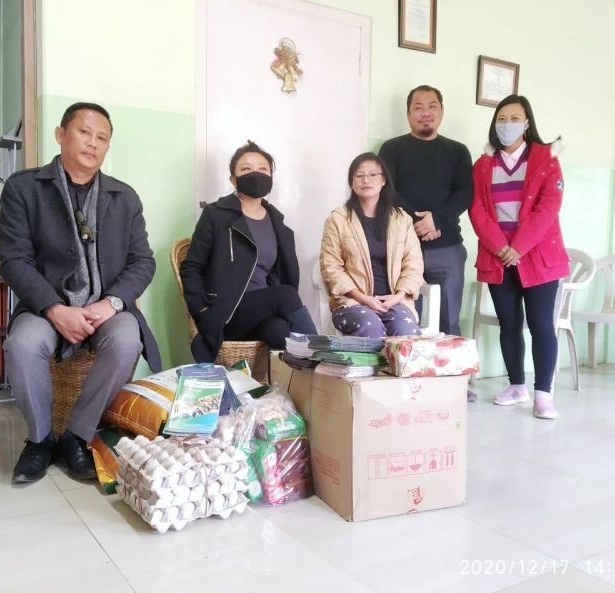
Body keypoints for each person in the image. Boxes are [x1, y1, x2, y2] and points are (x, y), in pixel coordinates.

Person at [0, 102, 161, 484]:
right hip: (44, 308)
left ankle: (77, 436)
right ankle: (40, 441)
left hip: (104, 307)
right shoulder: (24, 188)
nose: (92, 143)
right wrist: (55, 309)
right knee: (22, 345)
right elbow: (14, 260)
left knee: (126, 340)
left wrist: (112, 303)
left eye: (101, 138)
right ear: (61, 135)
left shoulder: (125, 196)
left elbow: (143, 261)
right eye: (84, 132)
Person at [469, 94, 569, 419]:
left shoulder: (545, 158)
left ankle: (543, 394)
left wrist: (520, 246)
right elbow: (478, 210)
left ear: (527, 124)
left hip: (538, 258)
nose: (507, 124)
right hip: (499, 257)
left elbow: (548, 206)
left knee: (541, 324)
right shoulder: (483, 163)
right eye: (501, 118)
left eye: (515, 118)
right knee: (509, 324)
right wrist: (501, 247)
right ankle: (516, 386)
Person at [378, 84, 475, 399]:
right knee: (407, 318)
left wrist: (437, 220)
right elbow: (387, 190)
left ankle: (457, 383)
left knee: (449, 318)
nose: (425, 112)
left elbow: (465, 193)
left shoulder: (457, 151)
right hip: (404, 248)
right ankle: (413, 384)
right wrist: (417, 223)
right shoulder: (391, 149)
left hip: (447, 247)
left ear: (442, 111)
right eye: (418, 107)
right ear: (408, 114)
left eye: (432, 106)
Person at [180, 140, 316, 363]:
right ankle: (322, 357)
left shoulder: (277, 223)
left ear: (271, 177)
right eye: (246, 169)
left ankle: (283, 392)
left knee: (279, 331)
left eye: (263, 169)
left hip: (261, 311)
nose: (255, 174)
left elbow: (279, 275)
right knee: (286, 294)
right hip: (224, 311)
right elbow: (192, 266)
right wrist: (201, 310)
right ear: (233, 179)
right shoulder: (216, 215)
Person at [320, 152, 424, 337]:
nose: (366, 180)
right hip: (352, 303)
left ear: (384, 180)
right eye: (359, 176)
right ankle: (373, 368)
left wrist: (397, 297)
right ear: (352, 183)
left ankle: (399, 368)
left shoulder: (401, 219)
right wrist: (364, 299)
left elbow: (414, 264)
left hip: (394, 302)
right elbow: (331, 267)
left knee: (405, 329)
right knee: (370, 326)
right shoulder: (338, 219)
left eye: (373, 174)